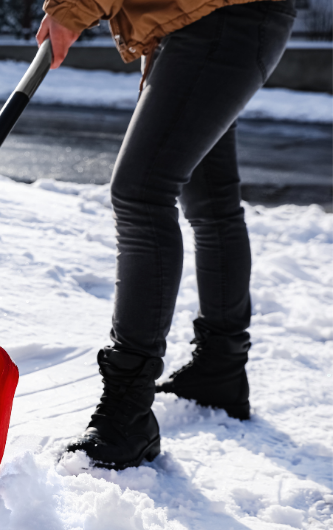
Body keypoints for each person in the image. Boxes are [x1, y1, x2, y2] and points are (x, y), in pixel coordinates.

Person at [36, 0, 295, 469]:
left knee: (140, 191)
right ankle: (220, 368)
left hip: (214, 18)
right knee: (211, 200)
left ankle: (127, 412)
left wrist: (73, 7)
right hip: (219, 16)